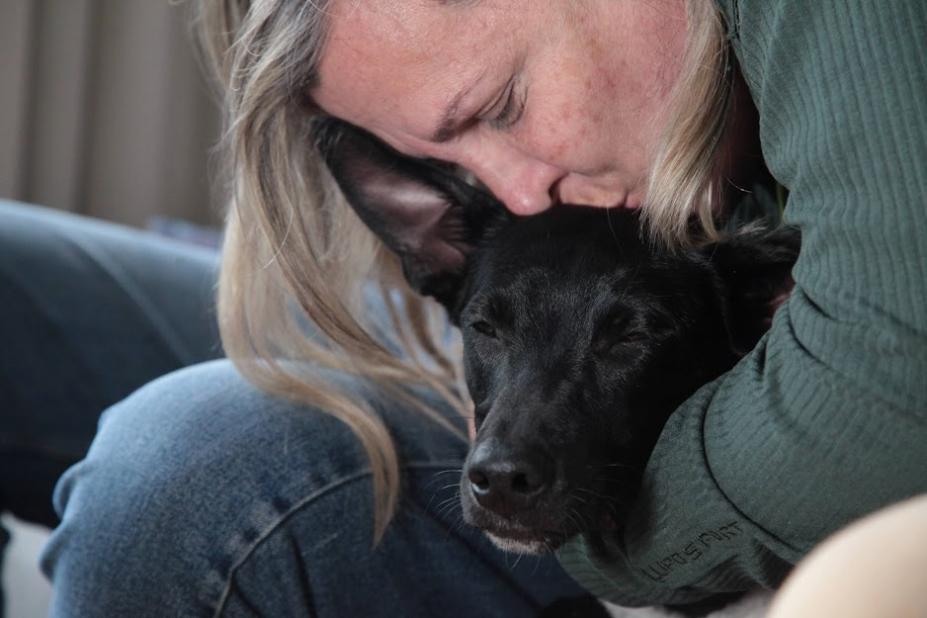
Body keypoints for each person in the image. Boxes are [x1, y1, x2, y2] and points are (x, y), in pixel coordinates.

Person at [0, 0, 921, 615]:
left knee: (181, 465)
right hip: (473, 339)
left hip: (619, 441)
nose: (518, 199)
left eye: (504, 104)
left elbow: (883, 383)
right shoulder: (513, 219)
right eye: (456, 162)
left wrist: (613, 533)